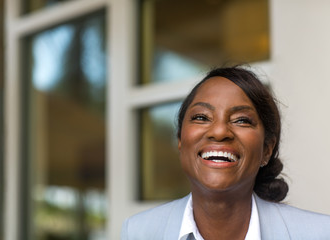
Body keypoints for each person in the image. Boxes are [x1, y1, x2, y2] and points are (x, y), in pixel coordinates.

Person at [121, 66, 330, 240]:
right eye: (202, 117)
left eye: (241, 120)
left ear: (267, 150)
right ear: (180, 141)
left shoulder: (320, 233)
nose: (219, 132)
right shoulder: (137, 232)